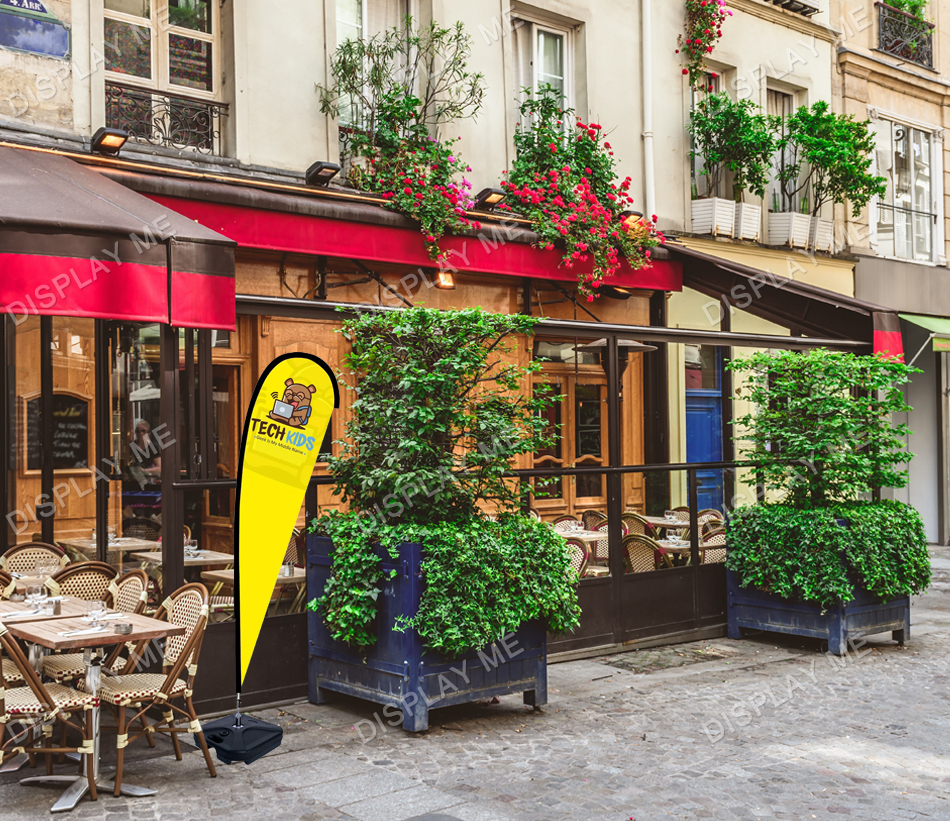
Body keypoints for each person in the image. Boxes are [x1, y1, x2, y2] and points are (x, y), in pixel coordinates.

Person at [128, 419, 161, 487]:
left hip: (147, 481)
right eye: (138, 431)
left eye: (143, 431)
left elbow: (159, 468)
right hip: (131, 481)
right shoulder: (131, 446)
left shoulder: (152, 448)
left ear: (148, 433)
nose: (141, 433)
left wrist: (144, 470)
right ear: (135, 432)